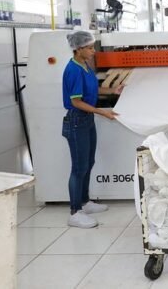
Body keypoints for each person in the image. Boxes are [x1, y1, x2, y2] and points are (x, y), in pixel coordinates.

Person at [62, 31, 123, 228]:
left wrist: (113, 90)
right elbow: (76, 102)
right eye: (89, 48)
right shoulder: (73, 70)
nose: (93, 51)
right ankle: (75, 212)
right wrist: (102, 112)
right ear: (78, 49)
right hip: (77, 121)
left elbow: (92, 90)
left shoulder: (85, 66)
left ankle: (85, 202)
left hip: (86, 120)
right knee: (78, 167)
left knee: (88, 162)